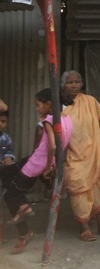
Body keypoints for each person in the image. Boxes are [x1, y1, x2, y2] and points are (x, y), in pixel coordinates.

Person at [1, 89, 72, 254]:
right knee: (8, 180)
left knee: (11, 192)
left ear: (48, 104)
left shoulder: (49, 120)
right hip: (40, 161)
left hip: (38, 163)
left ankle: (24, 213)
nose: (36, 109)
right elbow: (65, 146)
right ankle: (24, 229)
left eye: (37, 105)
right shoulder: (68, 119)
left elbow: (53, 146)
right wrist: (58, 164)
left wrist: (48, 166)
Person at [61, 70, 100, 241]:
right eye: (70, 82)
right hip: (74, 154)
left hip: (96, 152)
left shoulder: (90, 101)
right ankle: (84, 227)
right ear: (63, 85)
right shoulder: (60, 105)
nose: (74, 85)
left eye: (77, 81)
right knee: (78, 188)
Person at [0, 98, 15, 165]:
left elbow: (9, 152)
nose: (0, 124)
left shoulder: (6, 138)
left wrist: (8, 158)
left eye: (3, 121)